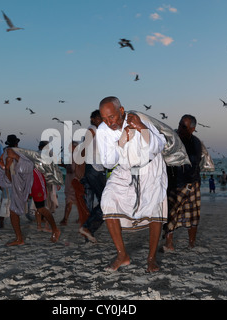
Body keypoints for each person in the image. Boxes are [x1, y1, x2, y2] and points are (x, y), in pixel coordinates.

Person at [96, 96, 168, 272]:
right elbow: (107, 163)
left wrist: (141, 128)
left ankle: (151, 259)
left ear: (121, 111)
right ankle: (122, 255)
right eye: (104, 119)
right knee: (108, 200)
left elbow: (159, 145)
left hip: (150, 169)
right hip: (125, 170)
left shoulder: (139, 119)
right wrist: (122, 140)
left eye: (111, 117)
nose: (108, 122)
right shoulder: (103, 130)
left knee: (155, 209)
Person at [0, 137, 60, 246]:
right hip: (17, 183)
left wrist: (16, 157)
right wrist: (8, 168)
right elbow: (6, 183)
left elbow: (30, 165)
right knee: (13, 210)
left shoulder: (10, 152)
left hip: (33, 176)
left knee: (40, 208)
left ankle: (55, 229)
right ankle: (19, 239)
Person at [163, 114, 202, 251]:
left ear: (192, 129)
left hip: (191, 184)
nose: (180, 128)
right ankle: (169, 244)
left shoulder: (196, 143)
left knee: (193, 216)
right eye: (180, 124)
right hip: (173, 184)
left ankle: (191, 243)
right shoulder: (171, 139)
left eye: (184, 126)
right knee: (170, 214)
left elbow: (193, 163)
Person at [79, 110, 106, 243]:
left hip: (94, 169)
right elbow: (83, 148)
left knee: (93, 203)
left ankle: (87, 232)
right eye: (99, 118)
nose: (102, 120)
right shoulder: (92, 129)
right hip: (94, 170)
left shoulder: (98, 131)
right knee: (106, 201)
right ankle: (87, 228)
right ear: (92, 119)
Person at [0, 134, 21, 228]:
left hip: (5, 178)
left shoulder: (3, 152)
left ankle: (2, 222)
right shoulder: (18, 152)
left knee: (5, 200)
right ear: (16, 143)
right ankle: (14, 222)